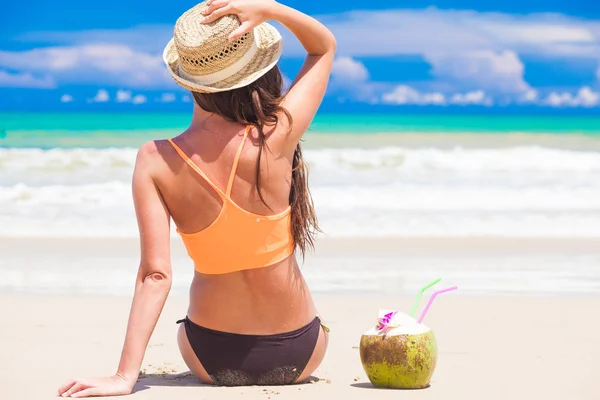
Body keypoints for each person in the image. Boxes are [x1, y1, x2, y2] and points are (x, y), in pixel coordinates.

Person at [57, 0, 336, 397]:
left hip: (210, 357)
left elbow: (155, 276)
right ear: (259, 71)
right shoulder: (277, 135)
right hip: (300, 352)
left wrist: (124, 377)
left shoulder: (155, 159)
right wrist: (272, 9)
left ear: (188, 80)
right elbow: (323, 47)